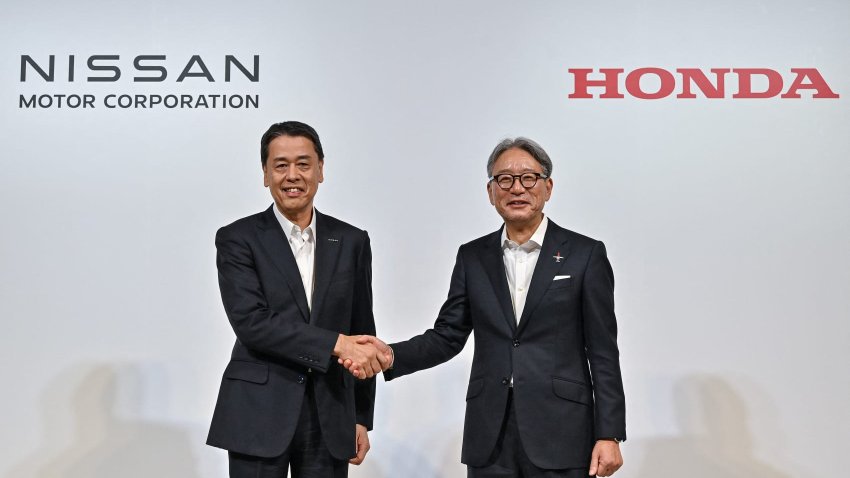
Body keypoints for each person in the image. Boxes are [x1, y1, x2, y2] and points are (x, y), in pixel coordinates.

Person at [347, 137, 626, 477]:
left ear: (548, 187)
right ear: (491, 192)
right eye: (504, 179)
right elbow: (448, 335)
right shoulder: (473, 256)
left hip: (562, 432)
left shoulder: (585, 254)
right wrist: (390, 355)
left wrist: (608, 433)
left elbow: (602, 351)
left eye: (529, 178)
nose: (517, 188)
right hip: (490, 436)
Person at [207, 121, 389, 478]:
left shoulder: (352, 240)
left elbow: (361, 331)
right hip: (258, 412)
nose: (292, 175)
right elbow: (252, 324)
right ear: (265, 174)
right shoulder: (237, 239)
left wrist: (360, 416)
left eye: (303, 164)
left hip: (330, 412)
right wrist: (336, 344)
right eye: (281, 165)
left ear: (321, 169)